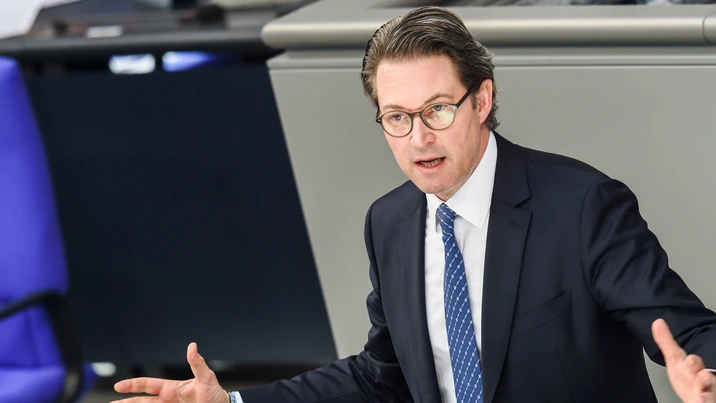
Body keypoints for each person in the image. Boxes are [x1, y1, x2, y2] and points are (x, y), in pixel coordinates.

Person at [112, 6, 716, 403]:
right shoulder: (390, 222)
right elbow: (383, 375)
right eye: (397, 117)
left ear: (482, 100)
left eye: (437, 110)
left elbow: (691, 332)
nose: (419, 138)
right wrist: (234, 400)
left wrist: (706, 377)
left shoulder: (582, 206)